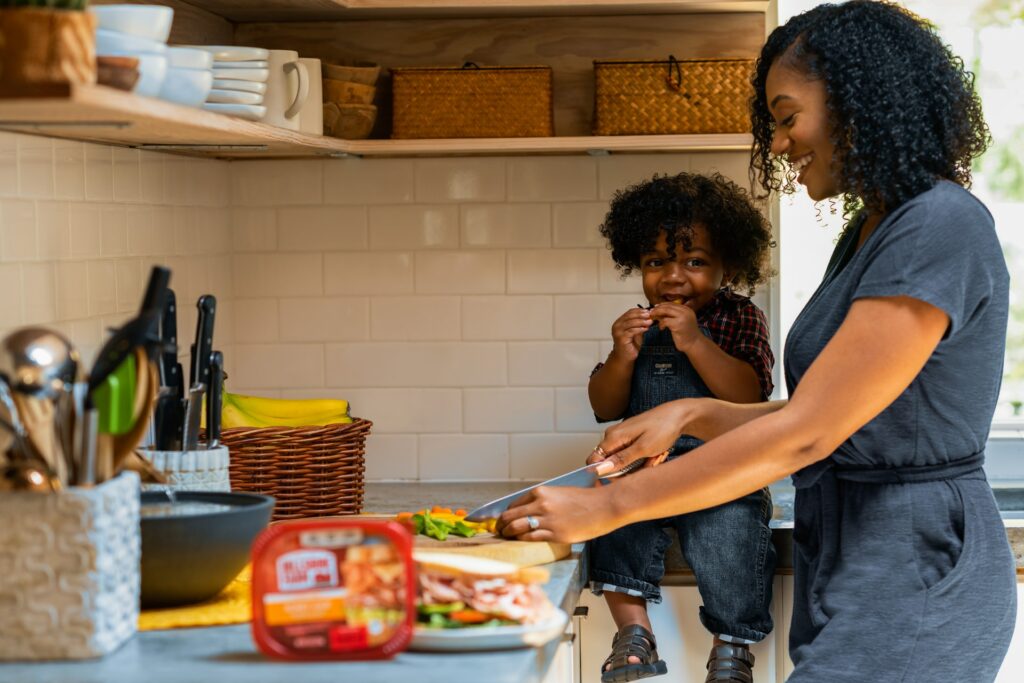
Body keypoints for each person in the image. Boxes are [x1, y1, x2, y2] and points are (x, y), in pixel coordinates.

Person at [497, 2, 1018, 681]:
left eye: (787, 115)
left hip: (918, 564)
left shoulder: (938, 226)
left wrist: (606, 506)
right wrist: (691, 413)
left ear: (856, 101)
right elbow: (846, 413)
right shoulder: (871, 231)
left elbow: (810, 432)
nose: (777, 143)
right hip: (859, 555)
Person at [586, 171, 776, 683]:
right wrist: (621, 357)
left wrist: (695, 343)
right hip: (648, 469)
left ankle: (732, 649)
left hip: (722, 473)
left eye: (694, 261)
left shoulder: (741, 318)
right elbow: (605, 405)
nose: (673, 277)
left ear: (727, 265)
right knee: (611, 518)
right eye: (655, 262)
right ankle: (633, 635)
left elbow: (750, 395)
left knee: (729, 535)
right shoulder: (638, 325)